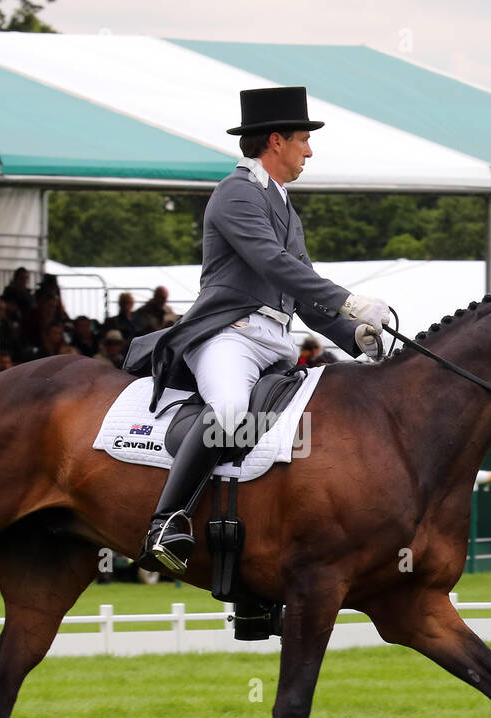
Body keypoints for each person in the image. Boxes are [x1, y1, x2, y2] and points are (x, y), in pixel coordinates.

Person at [123, 86, 393, 572]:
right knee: (230, 412)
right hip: (227, 335)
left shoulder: (285, 206)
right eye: (303, 140)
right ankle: (167, 520)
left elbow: (303, 292)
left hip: (276, 344)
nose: (309, 150)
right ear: (275, 141)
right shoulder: (236, 193)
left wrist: (354, 335)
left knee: (305, 432)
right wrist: (350, 301)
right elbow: (271, 264)